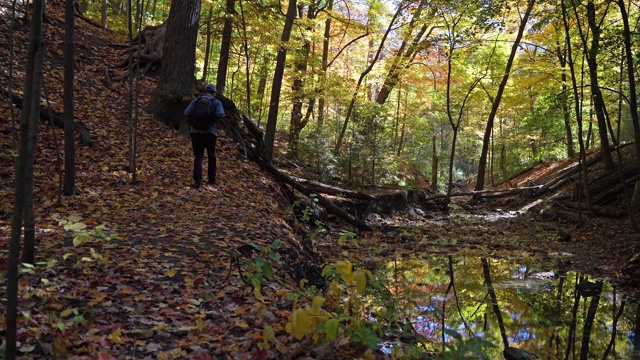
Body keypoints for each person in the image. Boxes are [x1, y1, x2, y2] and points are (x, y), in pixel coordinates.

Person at [184, 84, 225, 188]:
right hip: (210, 132)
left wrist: (194, 122)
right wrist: (211, 120)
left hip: (195, 132)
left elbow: (186, 112)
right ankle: (211, 180)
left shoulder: (196, 101)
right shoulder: (216, 102)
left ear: (204, 91)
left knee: (198, 157)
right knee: (211, 156)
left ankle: (197, 181)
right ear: (214, 93)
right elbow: (220, 114)